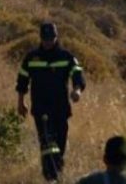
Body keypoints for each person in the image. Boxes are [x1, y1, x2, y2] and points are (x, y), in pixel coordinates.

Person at [16, 22, 86, 182]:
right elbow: (22, 81)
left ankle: (57, 172)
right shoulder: (31, 58)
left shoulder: (66, 57)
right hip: (41, 108)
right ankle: (50, 177)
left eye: (50, 39)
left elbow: (77, 74)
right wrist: (20, 103)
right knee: (47, 143)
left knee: (60, 144)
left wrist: (77, 90)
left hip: (61, 108)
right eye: (45, 39)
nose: (48, 42)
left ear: (56, 37)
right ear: (40, 38)